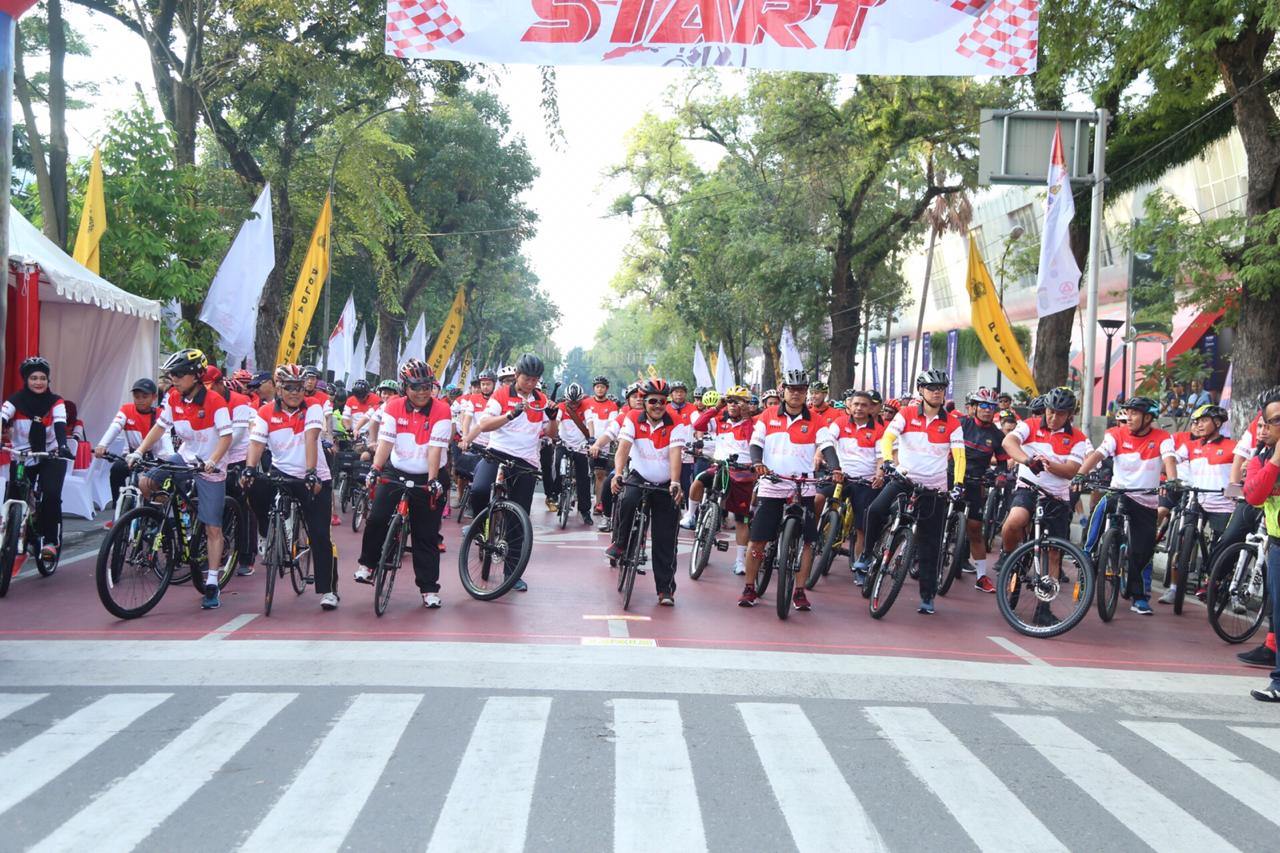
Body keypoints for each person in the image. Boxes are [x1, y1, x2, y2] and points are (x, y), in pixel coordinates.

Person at [128, 349, 232, 609]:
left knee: (212, 528)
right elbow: (160, 427)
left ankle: (211, 583)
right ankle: (164, 523)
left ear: (197, 376)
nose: (173, 379)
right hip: (184, 458)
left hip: (210, 466)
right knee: (145, 481)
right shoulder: (173, 397)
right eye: (171, 374)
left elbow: (226, 437)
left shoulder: (215, 401)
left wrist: (213, 462)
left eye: (179, 374)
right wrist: (139, 451)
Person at [856, 369, 963, 614]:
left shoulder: (953, 423)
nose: (937, 392)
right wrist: (887, 461)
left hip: (934, 489)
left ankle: (927, 596)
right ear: (921, 391)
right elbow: (888, 437)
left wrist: (957, 484)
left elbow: (959, 456)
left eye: (941, 388)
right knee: (875, 510)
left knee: (930, 545)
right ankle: (867, 555)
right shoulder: (906, 414)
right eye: (932, 388)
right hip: (904, 479)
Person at [351, 360, 452, 607]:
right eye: (416, 387)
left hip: (429, 474)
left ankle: (429, 589)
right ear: (405, 387)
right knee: (376, 518)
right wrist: (375, 469)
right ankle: (367, 564)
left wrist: (432, 482)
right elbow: (385, 442)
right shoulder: (393, 407)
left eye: (427, 386)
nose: (422, 392)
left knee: (425, 535)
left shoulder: (442, 410)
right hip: (396, 470)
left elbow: (435, 451)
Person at [739, 369, 840, 610]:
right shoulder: (768, 415)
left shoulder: (816, 419)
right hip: (772, 483)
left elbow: (827, 445)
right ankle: (750, 587)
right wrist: (757, 463)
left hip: (803, 486)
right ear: (783, 390)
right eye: (792, 389)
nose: (796, 394)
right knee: (758, 541)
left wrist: (835, 468)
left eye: (801, 390)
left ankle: (800, 591)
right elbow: (756, 443)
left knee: (807, 542)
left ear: (806, 393)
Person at [241, 363, 339, 610]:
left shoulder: (313, 408)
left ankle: (328, 589)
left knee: (319, 533)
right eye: (289, 387)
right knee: (252, 485)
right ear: (279, 388)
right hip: (281, 473)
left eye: (299, 388)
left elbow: (311, 438)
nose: (295, 392)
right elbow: (256, 443)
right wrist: (250, 468)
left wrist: (310, 473)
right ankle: (266, 531)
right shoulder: (264, 412)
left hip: (313, 476)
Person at [1074, 396, 1178, 616]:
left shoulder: (1163, 437)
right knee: (1095, 525)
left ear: (1148, 417)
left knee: (1142, 552)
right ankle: (1086, 568)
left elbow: (1169, 460)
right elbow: (1098, 454)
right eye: (1127, 413)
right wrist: (1080, 475)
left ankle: (1139, 597)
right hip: (1118, 493)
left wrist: (1171, 481)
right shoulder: (1115, 434)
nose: (1128, 418)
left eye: (1134, 413)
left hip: (1145, 500)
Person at [996, 387, 1091, 613]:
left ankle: (1044, 609)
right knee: (1014, 521)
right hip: (1028, 489)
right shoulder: (1029, 425)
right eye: (1050, 411)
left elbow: (1070, 471)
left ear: (1070, 415)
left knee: (1054, 553)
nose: (1053, 417)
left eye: (1060, 413)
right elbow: (1008, 443)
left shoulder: (1078, 438)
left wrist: (1047, 464)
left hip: (1056, 497)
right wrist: (1028, 461)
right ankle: (1009, 558)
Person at [465, 353, 554, 592]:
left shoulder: (541, 400)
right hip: (497, 452)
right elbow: (484, 424)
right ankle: (479, 527)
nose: (531, 383)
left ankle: (512, 572)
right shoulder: (501, 394)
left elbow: (552, 433)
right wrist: (510, 414)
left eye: (535, 379)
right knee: (480, 489)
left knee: (518, 519)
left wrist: (554, 418)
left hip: (526, 461)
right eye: (527, 378)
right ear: (517, 376)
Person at [605, 378, 686, 605]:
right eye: (652, 401)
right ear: (644, 401)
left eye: (662, 401)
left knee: (665, 539)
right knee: (627, 498)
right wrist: (619, 473)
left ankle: (665, 589)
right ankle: (620, 544)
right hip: (640, 475)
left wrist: (676, 482)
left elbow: (675, 454)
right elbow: (623, 449)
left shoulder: (677, 422)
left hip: (665, 481)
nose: (657, 406)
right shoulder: (632, 418)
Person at [1160, 403, 1235, 604]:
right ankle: (1175, 589)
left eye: (1203, 421)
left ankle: (1227, 590)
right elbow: (1172, 459)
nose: (1198, 425)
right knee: (1181, 543)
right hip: (1196, 500)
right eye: (1196, 421)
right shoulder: (1191, 446)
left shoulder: (1232, 446)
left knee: (1225, 549)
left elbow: (1245, 467)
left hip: (1224, 506)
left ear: (1217, 423)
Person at [1, 356, 73, 562]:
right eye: (34, 378)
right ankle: (11, 530)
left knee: (50, 494)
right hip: (23, 455)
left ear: (48, 380)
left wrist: (62, 446)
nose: (39, 382)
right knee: (15, 491)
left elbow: (60, 423)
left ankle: (51, 541)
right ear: (26, 380)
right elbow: (2, 417)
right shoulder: (14, 401)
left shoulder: (55, 401)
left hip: (50, 453)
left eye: (43, 378)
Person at [683, 385, 757, 575]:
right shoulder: (719, 420)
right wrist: (716, 407)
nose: (733, 405)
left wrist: (747, 418)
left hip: (742, 474)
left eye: (738, 402)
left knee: (742, 519)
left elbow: (752, 441)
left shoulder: (754, 424)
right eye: (730, 401)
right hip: (719, 467)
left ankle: (740, 561)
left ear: (748, 404)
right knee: (698, 480)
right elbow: (698, 425)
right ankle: (691, 516)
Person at [1242, 386, 1280, 701]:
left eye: (1274, 421)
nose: (1265, 428)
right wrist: (1277, 461)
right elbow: (1253, 495)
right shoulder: (1262, 457)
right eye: (1263, 422)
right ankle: (1279, 682)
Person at [822, 389, 883, 576]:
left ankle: (860, 567)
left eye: (864, 405)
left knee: (862, 527)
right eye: (856, 404)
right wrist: (820, 456)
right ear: (849, 406)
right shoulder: (839, 423)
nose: (859, 408)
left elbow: (882, 458)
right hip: (839, 477)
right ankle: (812, 537)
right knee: (817, 499)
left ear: (872, 408)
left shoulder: (879, 430)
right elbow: (827, 442)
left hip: (864, 482)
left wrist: (879, 474)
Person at [207, 366, 257, 576]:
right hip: (214, 458)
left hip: (237, 457)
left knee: (244, 507)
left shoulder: (239, 401)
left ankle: (246, 556)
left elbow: (235, 434)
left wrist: (216, 454)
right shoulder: (206, 400)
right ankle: (212, 551)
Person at [956, 387, 1008, 592]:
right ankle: (917, 557)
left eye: (992, 407)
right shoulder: (960, 424)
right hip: (951, 478)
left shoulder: (996, 435)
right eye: (984, 405)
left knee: (976, 530)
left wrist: (1001, 476)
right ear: (975, 407)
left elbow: (1003, 463)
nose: (988, 410)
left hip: (975, 483)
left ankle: (981, 577)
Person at [95, 377, 174, 508]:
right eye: (137, 396)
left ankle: (152, 513)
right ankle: (118, 510)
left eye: (144, 396)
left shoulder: (161, 413)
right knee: (117, 469)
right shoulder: (126, 410)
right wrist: (102, 445)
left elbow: (165, 437)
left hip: (155, 459)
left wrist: (170, 457)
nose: (140, 400)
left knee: (150, 488)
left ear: (154, 398)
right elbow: (115, 427)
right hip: (132, 457)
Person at [553, 383, 596, 526]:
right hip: (564, 443)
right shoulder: (561, 407)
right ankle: (557, 493)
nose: (573, 405)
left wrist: (591, 438)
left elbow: (590, 423)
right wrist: (554, 436)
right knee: (557, 463)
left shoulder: (586, 407)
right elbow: (557, 421)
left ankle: (585, 511)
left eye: (576, 402)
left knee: (583, 478)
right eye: (570, 402)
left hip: (580, 445)